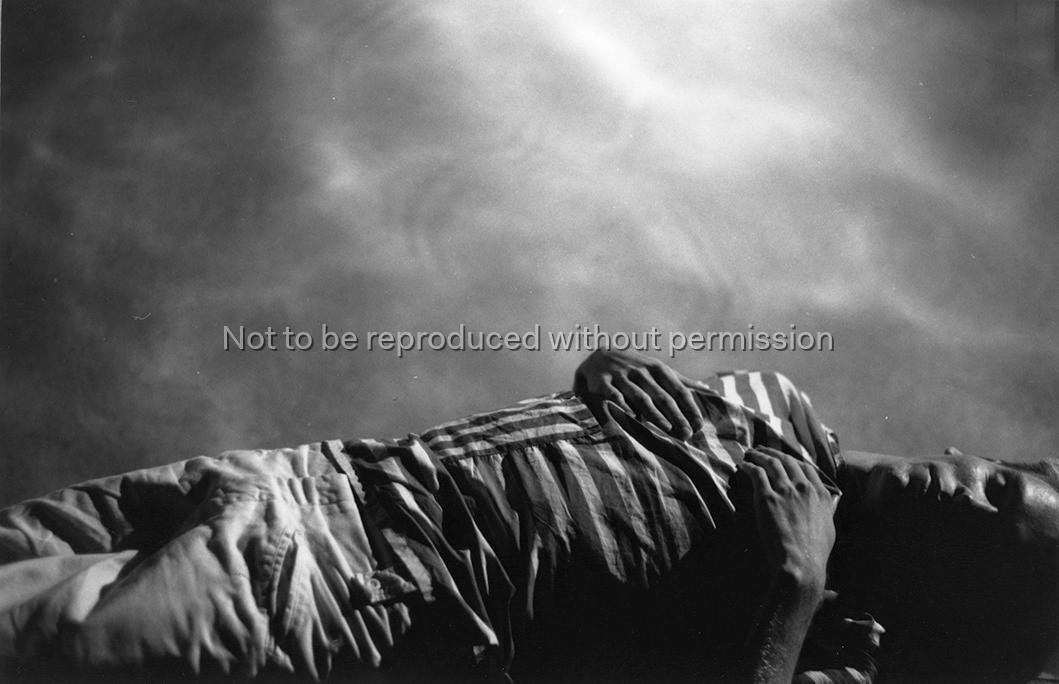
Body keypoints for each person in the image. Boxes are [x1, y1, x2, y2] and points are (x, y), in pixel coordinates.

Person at [0, 350, 1055, 682]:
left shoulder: (834, 635)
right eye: (996, 488)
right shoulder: (779, 403)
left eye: (986, 542)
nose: (966, 500)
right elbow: (603, 395)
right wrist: (609, 367)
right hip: (310, 474)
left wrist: (792, 585)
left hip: (346, 594)